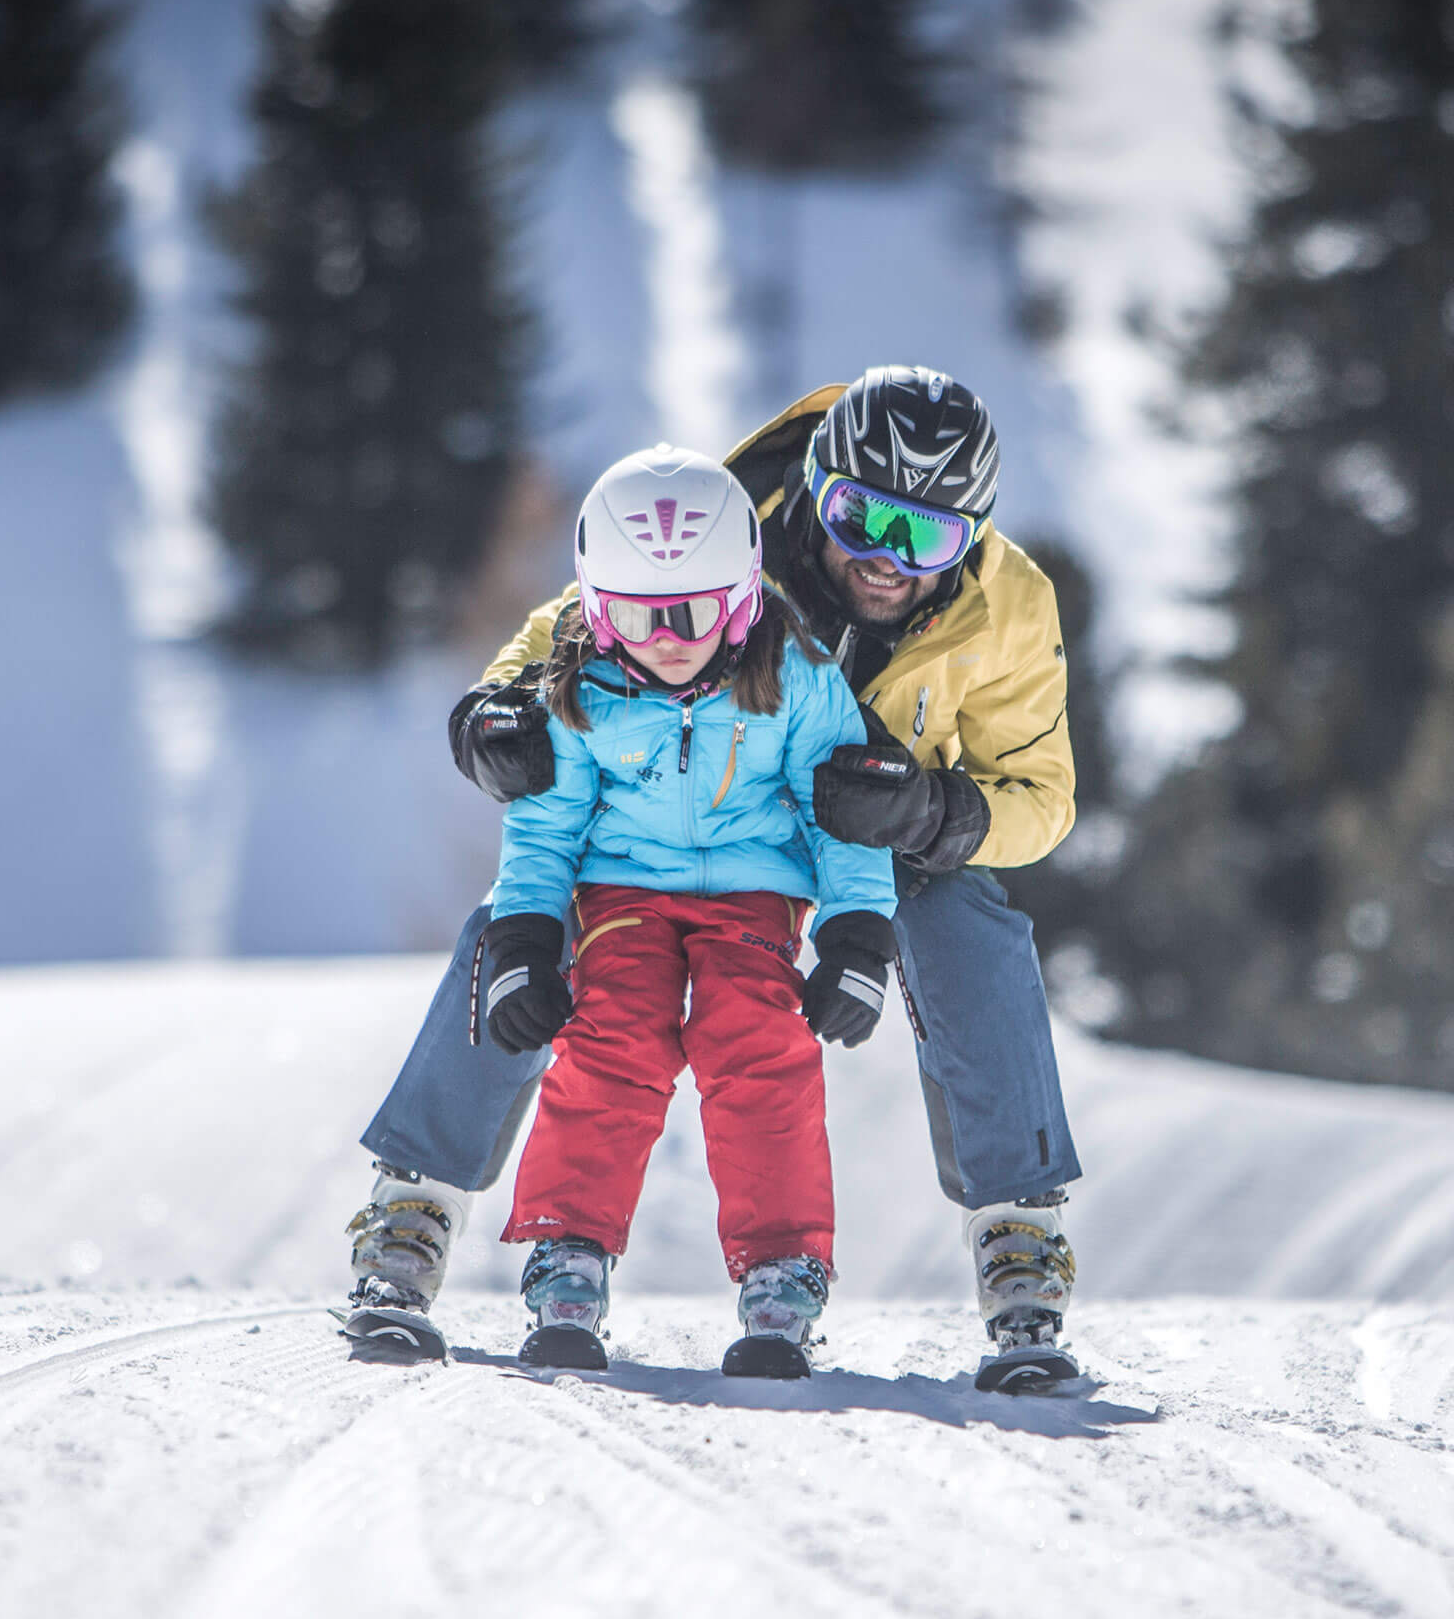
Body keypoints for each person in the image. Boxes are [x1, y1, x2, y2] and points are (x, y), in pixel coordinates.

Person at [348, 367, 1084, 1394]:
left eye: (925, 538)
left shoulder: (1006, 611)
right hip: (662, 832)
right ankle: (414, 1207)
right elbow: (572, 629)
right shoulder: (716, 532)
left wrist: (934, 814)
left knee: (966, 927)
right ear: (812, 488)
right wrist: (487, 718)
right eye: (857, 516)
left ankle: (1019, 1240)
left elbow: (1044, 798)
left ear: (973, 536)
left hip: (863, 833)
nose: (882, 558)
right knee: (525, 924)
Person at [345, 445, 896, 1377]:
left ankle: (780, 1265)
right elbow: (544, 829)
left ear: (745, 596)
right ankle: (569, 1252)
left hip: (751, 899)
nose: (669, 636)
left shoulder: (797, 674)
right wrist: (523, 940)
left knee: (756, 1035)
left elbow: (839, 812)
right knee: (613, 1033)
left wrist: (855, 935)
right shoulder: (575, 687)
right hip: (621, 897)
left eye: (696, 610)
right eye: (637, 613)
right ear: (596, 606)